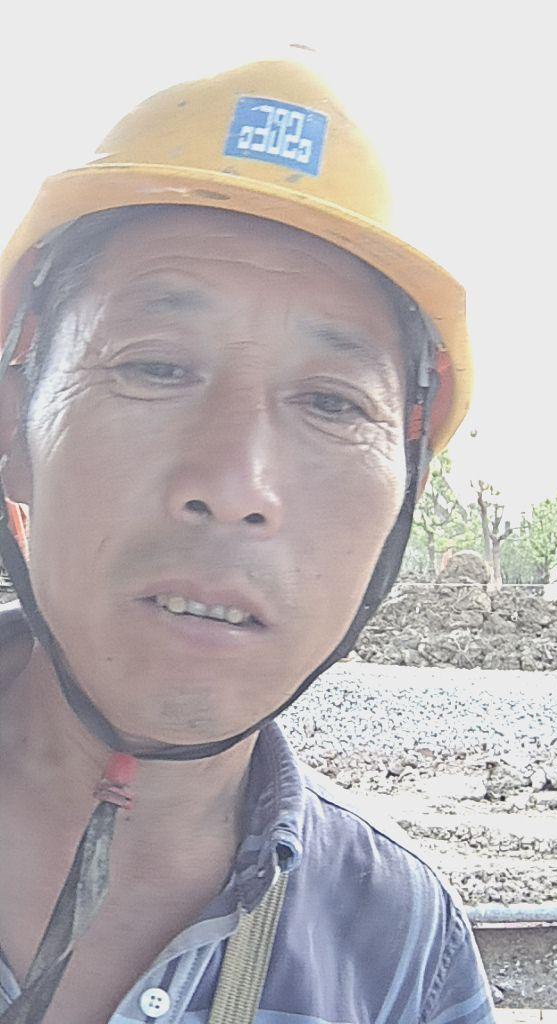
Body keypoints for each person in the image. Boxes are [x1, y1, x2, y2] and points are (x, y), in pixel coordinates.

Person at [0, 59, 496, 1023]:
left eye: (331, 403)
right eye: (155, 368)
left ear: (402, 500)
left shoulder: (404, 955)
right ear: (14, 431)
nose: (235, 489)